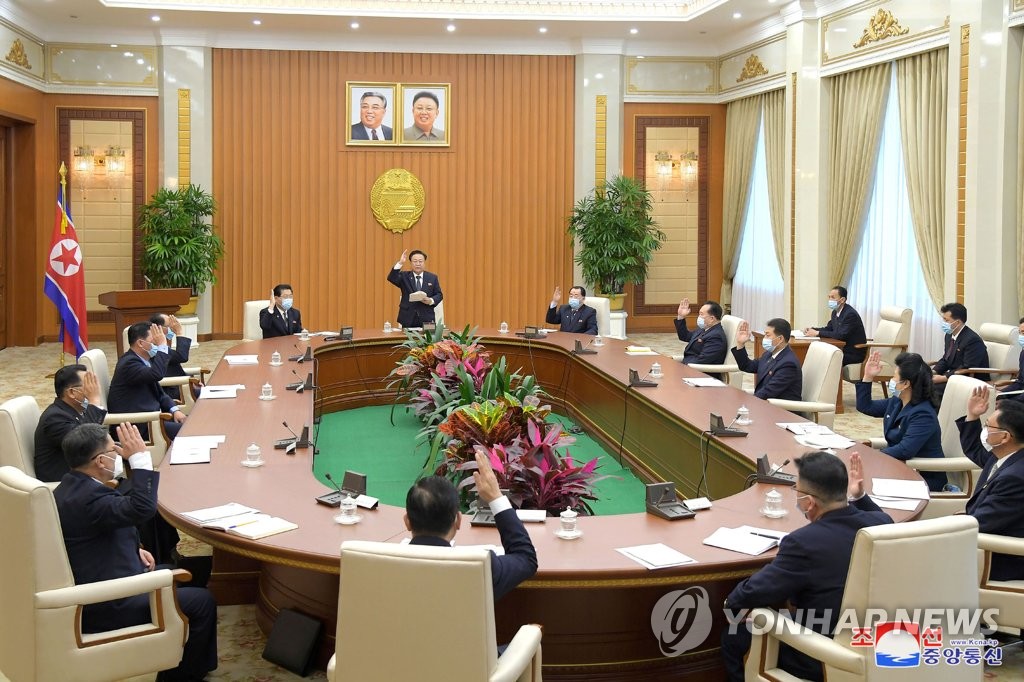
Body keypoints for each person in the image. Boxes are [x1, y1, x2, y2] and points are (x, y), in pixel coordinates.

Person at [54, 423, 217, 681]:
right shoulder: (91, 499)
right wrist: (140, 459)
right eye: (113, 449)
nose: (119, 452)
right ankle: (185, 675)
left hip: (106, 575)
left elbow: (107, 523)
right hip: (110, 601)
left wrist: (136, 548)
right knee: (202, 602)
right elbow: (142, 509)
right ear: (100, 461)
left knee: (173, 571)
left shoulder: (69, 487)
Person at [721, 451, 891, 682]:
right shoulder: (880, 525)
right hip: (875, 640)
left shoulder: (803, 542)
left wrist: (731, 604)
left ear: (809, 503)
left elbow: (752, 593)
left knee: (735, 635)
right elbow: (877, 516)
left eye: (797, 491)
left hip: (823, 654)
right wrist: (859, 495)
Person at [406, 451, 537, 601]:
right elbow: (526, 559)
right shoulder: (482, 565)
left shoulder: (375, 562)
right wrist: (496, 498)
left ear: (407, 521)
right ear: (458, 521)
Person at [958, 387, 1024, 580]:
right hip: (981, 537)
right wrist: (972, 415)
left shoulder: (1015, 478)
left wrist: (959, 520)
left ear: (1005, 437)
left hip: (997, 559)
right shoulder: (1004, 455)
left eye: (988, 426)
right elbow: (974, 451)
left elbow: (980, 524)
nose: (984, 431)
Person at [856, 351, 946, 491]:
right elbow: (865, 406)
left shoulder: (923, 414)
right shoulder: (897, 402)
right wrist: (868, 377)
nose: (891, 381)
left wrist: (873, 456)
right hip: (898, 466)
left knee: (863, 483)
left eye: (894, 377)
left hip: (921, 477)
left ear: (905, 384)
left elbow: (905, 450)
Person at [107, 322, 186, 440]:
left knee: (196, 422)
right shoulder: (128, 364)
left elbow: (160, 394)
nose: (158, 345)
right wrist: (162, 345)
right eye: (155, 341)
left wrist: (175, 410)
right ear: (140, 343)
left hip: (152, 420)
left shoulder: (144, 360)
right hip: (138, 427)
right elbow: (157, 374)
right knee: (191, 431)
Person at [33, 364, 107, 482]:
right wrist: (94, 402)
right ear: (72, 392)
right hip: (67, 486)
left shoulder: (75, 410)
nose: (94, 390)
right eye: (88, 386)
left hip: (86, 476)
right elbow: (86, 443)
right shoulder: (54, 418)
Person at [731, 318, 802, 401]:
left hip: (781, 410)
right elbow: (747, 366)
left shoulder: (789, 364)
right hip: (765, 405)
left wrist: (748, 402)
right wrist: (740, 343)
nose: (764, 338)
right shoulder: (769, 354)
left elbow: (768, 392)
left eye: (768, 335)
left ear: (780, 339)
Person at [803, 286, 867, 367]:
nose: (830, 300)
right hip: (841, 349)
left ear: (842, 300)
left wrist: (817, 333)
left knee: (823, 357)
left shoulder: (850, 314)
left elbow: (841, 335)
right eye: (829, 297)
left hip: (853, 353)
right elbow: (829, 328)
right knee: (818, 354)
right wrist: (812, 329)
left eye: (832, 297)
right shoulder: (835, 312)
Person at [932, 302, 989, 391]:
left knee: (931, 388)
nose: (944, 323)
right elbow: (946, 359)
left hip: (970, 380)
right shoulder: (949, 335)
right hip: (953, 376)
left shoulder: (972, 340)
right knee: (922, 382)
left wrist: (943, 378)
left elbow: (967, 368)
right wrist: (933, 372)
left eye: (946, 320)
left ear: (958, 322)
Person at [387, 249, 443, 328]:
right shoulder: (404, 276)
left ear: (424, 263)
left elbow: (439, 294)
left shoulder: (432, 277)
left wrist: (430, 300)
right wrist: (400, 263)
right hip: (408, 318)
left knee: (429, 339)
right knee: (408, 339)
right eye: (415, 261)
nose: (418, 264)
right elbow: (391, 278)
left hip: (427, 318)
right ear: (410, 263)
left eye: (420, 261)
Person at [674, 298, 727, 367]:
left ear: (712, 319)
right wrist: (681, 316)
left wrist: (681, 366)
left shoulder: (716, 337)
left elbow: (701, 361)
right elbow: (685, 336)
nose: (699, 317)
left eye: (701, 314)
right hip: (690, 366)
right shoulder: (704, 328)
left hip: (701, 373)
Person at [150, 313, 192, 401]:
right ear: (159, 328)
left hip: (179, 384)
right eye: (170, 325)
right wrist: (179, 332)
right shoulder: (154, 347)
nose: (173, 328)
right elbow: (182, 356)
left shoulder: (162, 344)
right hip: (171, 390)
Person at [995, 316, 1024, 402]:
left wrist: (1008, 403)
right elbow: (1020, 382)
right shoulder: (1023, 353)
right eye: (1020, 333)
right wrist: (1000, 394)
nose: (1021, 336)